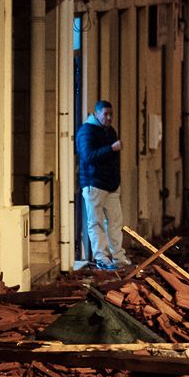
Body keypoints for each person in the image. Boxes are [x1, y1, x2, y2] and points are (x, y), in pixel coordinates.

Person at [75, 99, 128, 271]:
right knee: (95, 222)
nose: (109, 118)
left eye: (111, 114)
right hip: (94, 183)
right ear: (96, 114)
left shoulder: (109, 131)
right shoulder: (86, 132)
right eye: (105, 114)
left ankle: (118, 257)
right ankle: (102, 258)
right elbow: (88, 156)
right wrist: (111, 149)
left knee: (115, 221)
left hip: (110, 184)